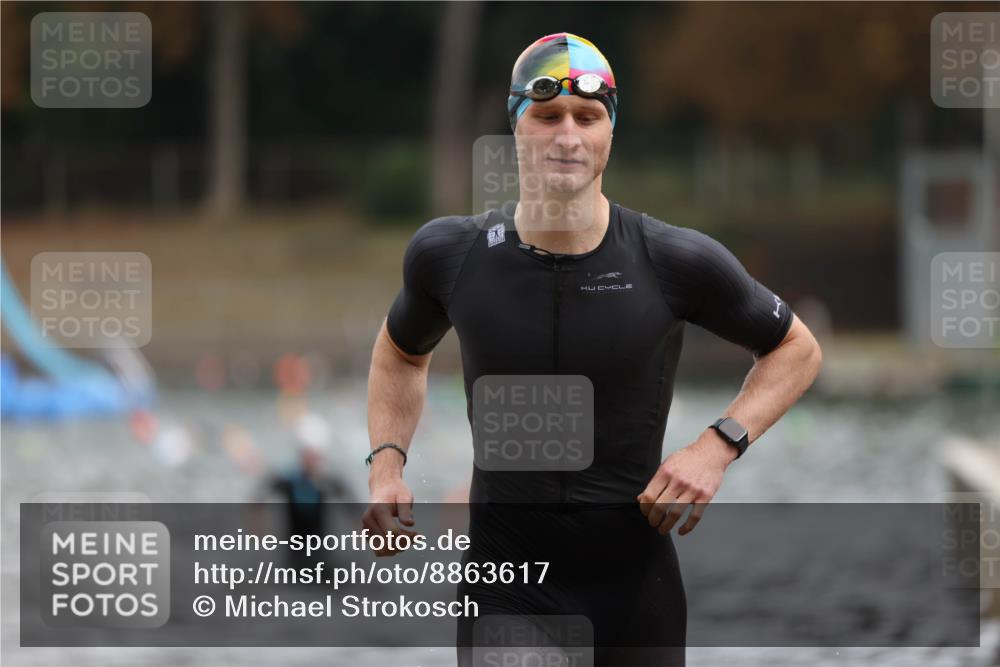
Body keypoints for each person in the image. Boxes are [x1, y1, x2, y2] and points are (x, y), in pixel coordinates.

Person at [364, 32, 823, 666]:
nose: (568, 135)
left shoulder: (674, 259)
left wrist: (716, 447)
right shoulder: (452, 255)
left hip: (635, 592)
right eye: (547, 115)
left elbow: (795, 350)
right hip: (508, 592)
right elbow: (399, 353)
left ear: (611, 130)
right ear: (516, 126)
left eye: (588, 116)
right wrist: (387, 464)